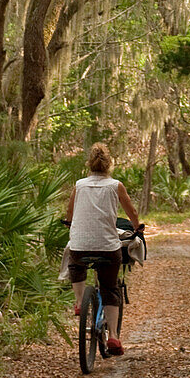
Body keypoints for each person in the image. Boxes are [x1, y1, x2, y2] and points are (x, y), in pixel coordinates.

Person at [63, 142, 141, 356]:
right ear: (109, 165)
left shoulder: (79, 185)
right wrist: (137, 228)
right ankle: (114, 336)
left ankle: (79, 302)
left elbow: (70, 213)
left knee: (75, 262)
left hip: (80, 244)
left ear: (89, 164)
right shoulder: (116, 185)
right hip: (108, 247)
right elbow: (131, 211)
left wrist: (71, 224)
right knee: (109, 287)